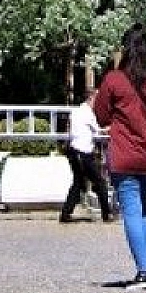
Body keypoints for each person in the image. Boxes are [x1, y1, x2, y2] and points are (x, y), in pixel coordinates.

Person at [92, 23, 146, 290]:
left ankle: (144, 272)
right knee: (143, 209)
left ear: (124, 49)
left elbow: (101, 115)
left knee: (131, 210)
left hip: (125, 153)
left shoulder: (114, 79)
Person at [59, 95, 111, 224]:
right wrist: (110, 129)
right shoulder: (88, 114)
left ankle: (66, 213)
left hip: (73, 152)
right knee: (100, 183)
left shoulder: (75, 111)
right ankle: (106, 214)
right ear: (91, 99)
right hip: (84, 154)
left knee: (77, 183)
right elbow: (99, 131)